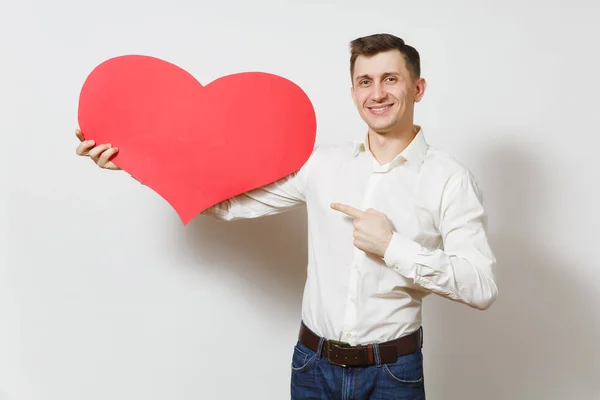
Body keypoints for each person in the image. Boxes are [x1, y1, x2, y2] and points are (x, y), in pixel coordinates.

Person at [75, 33, 497, 399]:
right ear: (353, 92)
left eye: (391, 79)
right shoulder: (321, 165)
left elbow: (480, 287)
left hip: (393, 373)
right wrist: (134, 161)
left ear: (418, 88)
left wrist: (392, 247)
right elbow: (227, 203)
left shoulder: (449, 179)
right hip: (312, 367)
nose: (377, 93)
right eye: (364, 81)